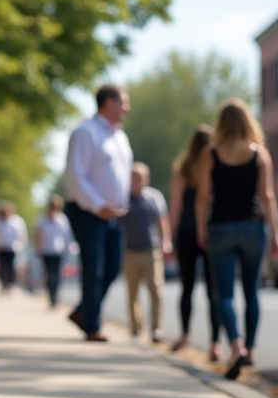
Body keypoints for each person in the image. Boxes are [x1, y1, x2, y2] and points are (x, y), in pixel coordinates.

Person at [196, 99, 278, 380]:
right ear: (248, 122)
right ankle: (251, 349)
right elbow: (267, 197)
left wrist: (200, 228)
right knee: (251, 291)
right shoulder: (260, 155)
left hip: (220, 227)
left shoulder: (210, 154)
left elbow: (202, 197)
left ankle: (235, 346)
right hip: (252, 228)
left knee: (223, 294)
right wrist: (276, 234)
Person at [63, 84, 133, 342]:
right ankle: (92, 325)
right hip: (87, 212)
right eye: (123, 102)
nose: (127, 108)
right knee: (94, 268)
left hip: (114, 214)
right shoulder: (85, 132)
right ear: (108, 103)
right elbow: (74, 175)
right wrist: (97, 205)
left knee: (113, 267)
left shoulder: (120, 137)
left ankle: (84, 312)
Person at [168, 125, 222, 362]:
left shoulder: (183, 170)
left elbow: (176, 206)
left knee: (187, 286)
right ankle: (215, 343)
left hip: (188, 232)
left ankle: (185, 335)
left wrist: (170, 237)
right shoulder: (216, 164)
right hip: (211, 232)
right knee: (214, 291)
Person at [119, 162, 171, 343]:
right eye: (133, 176)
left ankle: (157, 328)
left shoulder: (154, 197)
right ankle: (136, 327)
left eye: (140, 177)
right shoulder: (122, 197)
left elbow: (163, 220)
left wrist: (167, 242)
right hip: (129, 251)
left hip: (152, 250)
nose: (137, 180)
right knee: (132, 292)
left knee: (156, 290)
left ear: (146, 179)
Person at [34, 195, 75, 308]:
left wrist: (69, 248)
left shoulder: (62, 219)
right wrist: (37, 248)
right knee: (49, 274)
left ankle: (55, 296)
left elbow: (67, 236)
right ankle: (51, 296)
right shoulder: (42, 219)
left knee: (56, 275)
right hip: (45, 250)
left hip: (58, 251)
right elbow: (37, 235)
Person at [0, 202, 28, 292]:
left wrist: (21, 244)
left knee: (11, 266)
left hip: (13, 248)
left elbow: (22, 234)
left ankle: (10, 283)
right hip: (1, 247)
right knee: (2, 266)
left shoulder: (17, 221)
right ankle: (3, 283)